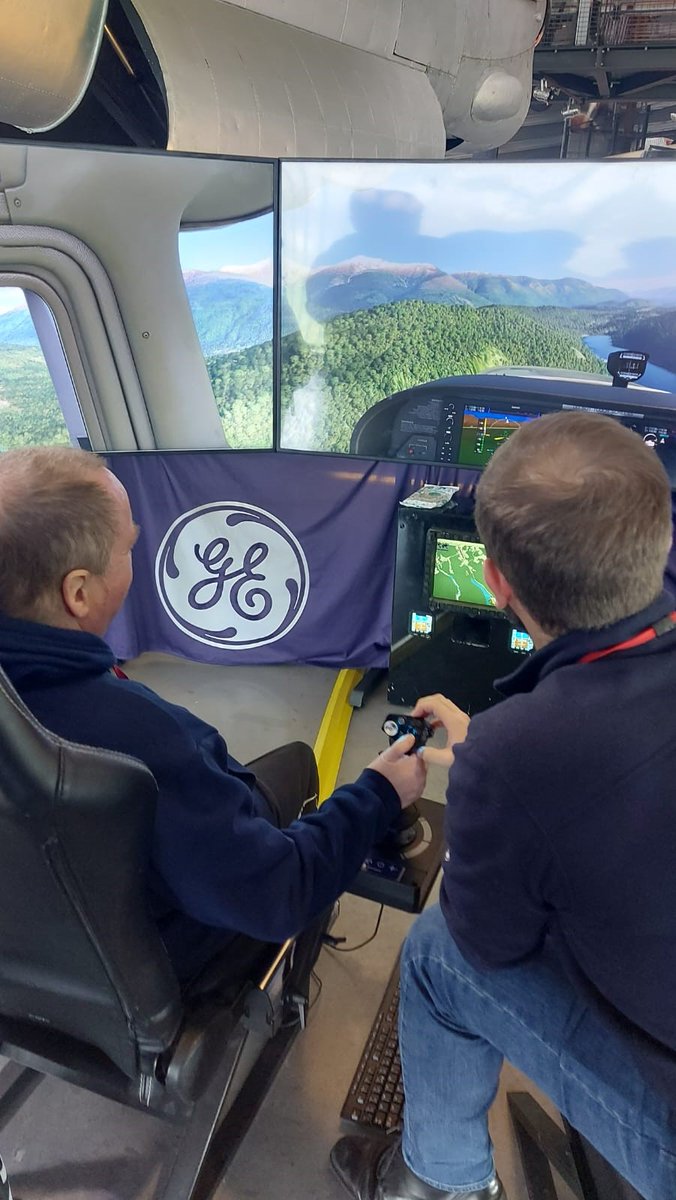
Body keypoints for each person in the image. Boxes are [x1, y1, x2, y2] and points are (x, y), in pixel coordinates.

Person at [332, 410, 676, 1200]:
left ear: (495, 581)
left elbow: (494, 944)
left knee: (437, 954)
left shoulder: (515, 754)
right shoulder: (519, 744)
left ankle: (439, 1182)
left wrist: (497, 767)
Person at [0, 446, 426, 987]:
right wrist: (380, 792)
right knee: (297, 766)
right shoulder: (145, 742)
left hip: (25, 965)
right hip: (142, 976)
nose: (137, 552)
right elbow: (279, 892)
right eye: (128, 547)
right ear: (79, 592)